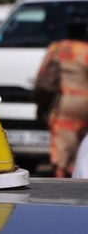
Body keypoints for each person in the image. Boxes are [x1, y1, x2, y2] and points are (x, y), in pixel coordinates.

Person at [33, 15, 88, 178]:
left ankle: (61, 178)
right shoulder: (86, 49)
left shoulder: (57, 48)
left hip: (66, 102)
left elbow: (43, 75)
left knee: (62, 145)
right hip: (86, 102)